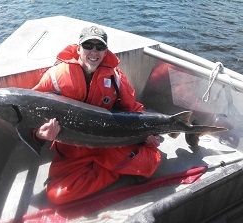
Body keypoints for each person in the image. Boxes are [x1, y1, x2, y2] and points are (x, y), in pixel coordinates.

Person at [32, 26, 161, 204]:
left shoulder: (115, 78)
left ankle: (122, 161)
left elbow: (134, 110)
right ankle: (115, 171)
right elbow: (30, 115)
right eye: (88, 45)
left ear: (105, 51)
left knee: (149, 165)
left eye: (99, 47)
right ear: (78, 48)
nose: (94, 52)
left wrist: (151, 135)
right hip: (73, 151)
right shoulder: (54, 76)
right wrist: (40, 134)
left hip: (109, 145)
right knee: (57, 194)